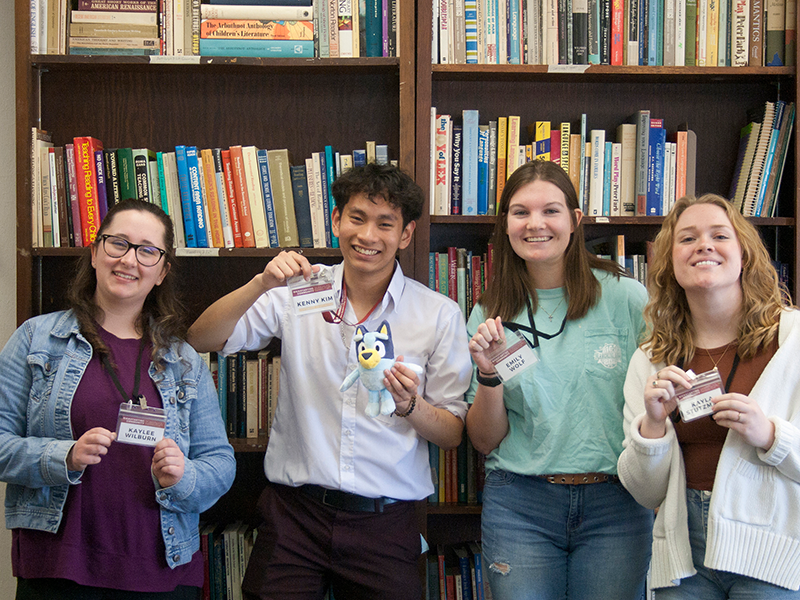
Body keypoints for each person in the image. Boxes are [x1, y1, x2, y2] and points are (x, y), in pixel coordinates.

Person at [187, 162, 473, 600]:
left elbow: (452, 433)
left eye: (385, 224)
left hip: (386, 522)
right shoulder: (299, 290)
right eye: (357, 218)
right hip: (294, 516)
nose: (368, 236)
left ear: (406, 234)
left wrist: (410, 406)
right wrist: (261, 284)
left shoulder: (437, 314)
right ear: (336, 220)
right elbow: (201, 338)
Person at [0, 198, 236, 600]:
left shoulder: (184, 361)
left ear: (162, 271)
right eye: (118, 244)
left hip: (162, 569)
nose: (129, 260)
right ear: (94, 254)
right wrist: (66, 455)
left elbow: (220, 462)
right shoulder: (35, 340)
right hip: (59, 567)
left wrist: (184, 476)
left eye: (148, 250)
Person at [466, 160, 653, 600]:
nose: (535, 224)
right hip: (520, 503)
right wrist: (489, 375)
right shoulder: (489, 313)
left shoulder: (626, 297)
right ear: (505, 226)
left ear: (575, 220)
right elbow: (484, 440)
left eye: (550, 210)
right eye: (520, 212)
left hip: (617, 503)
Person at [617, 193, 800, 598]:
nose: (703, 245)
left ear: (744, 255)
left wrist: (770, 434)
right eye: (687, 239)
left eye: (720, 235)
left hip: (770, 554)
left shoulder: (793, 340)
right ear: (669, 265)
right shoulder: (651, 359)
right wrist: (652, 425)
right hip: (683, 555)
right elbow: (645, 492)